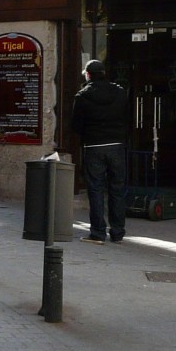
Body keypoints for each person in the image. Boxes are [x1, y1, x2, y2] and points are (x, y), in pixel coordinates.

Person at [72, 59, 129, 245]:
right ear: (104, 73)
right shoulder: (120, 92)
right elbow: (127, 117)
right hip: (117, 145)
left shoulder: (82, 96)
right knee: (117, 188)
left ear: (88, 75)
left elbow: (76, 125)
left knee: (95, 189)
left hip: (94, 146)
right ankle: (118, 231)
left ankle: (97, 232)